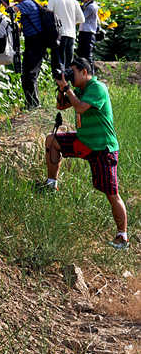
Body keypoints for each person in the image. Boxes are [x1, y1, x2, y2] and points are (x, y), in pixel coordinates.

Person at [39, 58, 127, 248]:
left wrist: (68, 89)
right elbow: (61, 106)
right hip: (84, 141)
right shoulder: (80, 89)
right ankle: (51, 184)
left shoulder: (97, 88)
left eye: (73, 72)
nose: (71, 76)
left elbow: (80, 107)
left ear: (85, 72)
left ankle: (122, 236)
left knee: (112, 193)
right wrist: (62, 88)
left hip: (102, 148)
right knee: (52, 140)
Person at [7, 0, 54, 109]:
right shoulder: (29, 3)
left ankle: (34, 104)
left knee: (30, 74)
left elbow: (12, 10)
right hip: (33, 41)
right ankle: (31, 103)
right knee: (27, 73)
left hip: (36, 42)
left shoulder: (27, 4)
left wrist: (6, 5)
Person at [47, 0, 85, 77]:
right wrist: (72, 22)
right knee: (68, 63)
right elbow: (82, 19)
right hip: (71, 35)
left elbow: (48, 16)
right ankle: (68, 85)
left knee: (58, 63)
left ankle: (60, 86)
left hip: (58, 35)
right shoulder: (74, 1)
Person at [75, 0, 100, 65]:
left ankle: (91, 76)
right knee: (81, 56)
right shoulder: (86, 4)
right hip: (84, 33)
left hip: (88, 34)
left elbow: (81, 18)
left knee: (87, 56)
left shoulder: (91, 6)